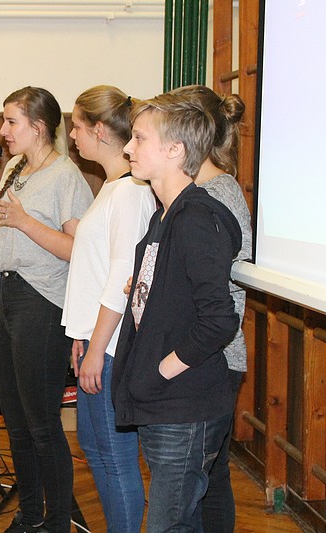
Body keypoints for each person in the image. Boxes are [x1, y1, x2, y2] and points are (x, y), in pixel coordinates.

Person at [112, 93, 242, 532]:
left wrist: (161, 371)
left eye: (139, 138)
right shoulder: (164, 216)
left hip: (183, 405)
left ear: (175, 150)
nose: (128, 148)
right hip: (163, 402)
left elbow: (219, 319)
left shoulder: (196, 217)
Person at [0, 86, 93, 533]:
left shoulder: (66, 176)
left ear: (38, 127)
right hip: (7, 298)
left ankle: (58, 521)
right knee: (16, 422)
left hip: (42, 302)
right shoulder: (15, 170)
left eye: (11, 121)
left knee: (42, 424)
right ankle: (29, 515)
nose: (3, 131)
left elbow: (79, 248)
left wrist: (25, 221)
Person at [62, 86, 156, 533]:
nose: (72, 136)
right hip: (97, 341)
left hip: (113, 346)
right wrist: (81, 337)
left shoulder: (130, 192)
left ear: (99, 130)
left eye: (77, 126)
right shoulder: (112, 188)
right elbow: (96, 271)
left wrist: (97, 348)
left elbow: (123, 276)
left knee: (115, 457)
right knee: (95, 447)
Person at [171, 84, 251, 533]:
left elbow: (210, 287)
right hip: (210, 353)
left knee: (203, 480)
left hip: (215, 355)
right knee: (209, 477)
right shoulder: (207, 189)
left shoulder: (215, 193)